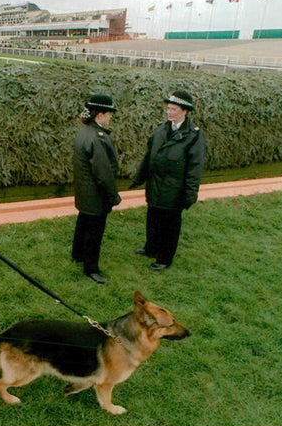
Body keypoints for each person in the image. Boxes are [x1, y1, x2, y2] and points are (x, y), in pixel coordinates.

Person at [129, 90, 206, 271]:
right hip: (155, 185)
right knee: (153, 219)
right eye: (168, 108)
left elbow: (195, 168)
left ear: (185, 111)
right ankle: (151, 249)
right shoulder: (161, 129)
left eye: (174, 109)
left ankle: (164, 259)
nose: (169, 112)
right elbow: (149, 156)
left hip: (174, 190)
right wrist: (139, 179)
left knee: (169, 225)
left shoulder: (194, 135)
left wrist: (190, 193)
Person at [71, 93, 121, 285]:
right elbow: (103, 173)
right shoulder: (97, 138)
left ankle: (78, 254)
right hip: (95, 194)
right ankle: (91, 269)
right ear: (100, 115)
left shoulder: (85, 131)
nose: (110, 118)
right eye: (109, 114)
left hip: (85, 191)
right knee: (94, 232)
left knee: (83, 222)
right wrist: (113, 196)